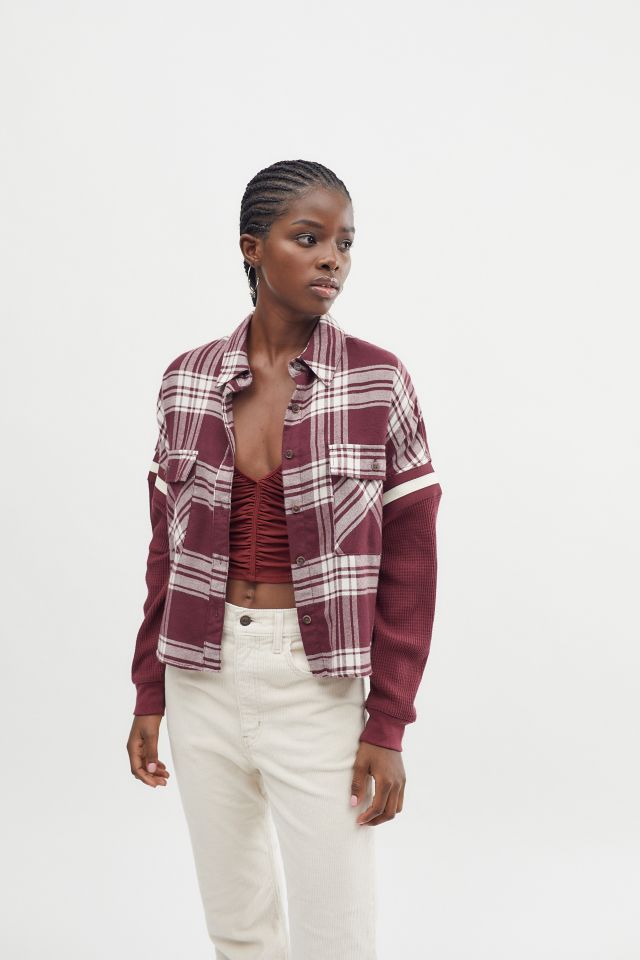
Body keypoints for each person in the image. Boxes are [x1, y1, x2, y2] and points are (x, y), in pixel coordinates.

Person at [126, 159, 443, 960]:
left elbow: (412, 567)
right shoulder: (185, 381)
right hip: (200, 676)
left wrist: (389, 722)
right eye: (309, 239)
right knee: (236, 924)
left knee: (336, 931)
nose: (332, 258)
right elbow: (164, 552)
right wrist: (149, 690)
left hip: (317, 682)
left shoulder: (378, 381)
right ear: (252, 248)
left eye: (345, 242)